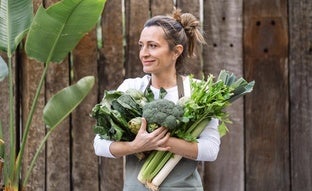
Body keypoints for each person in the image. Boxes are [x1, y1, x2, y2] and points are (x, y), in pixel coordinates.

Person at [94, 8, 221, 191]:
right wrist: (135, 146)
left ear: (176, 51)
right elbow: (99, 144)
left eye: (152, 46)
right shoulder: (131, 88)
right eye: (141, 45)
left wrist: (163, 142)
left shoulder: (197, 91)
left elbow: (210, 150)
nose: (143, 53)